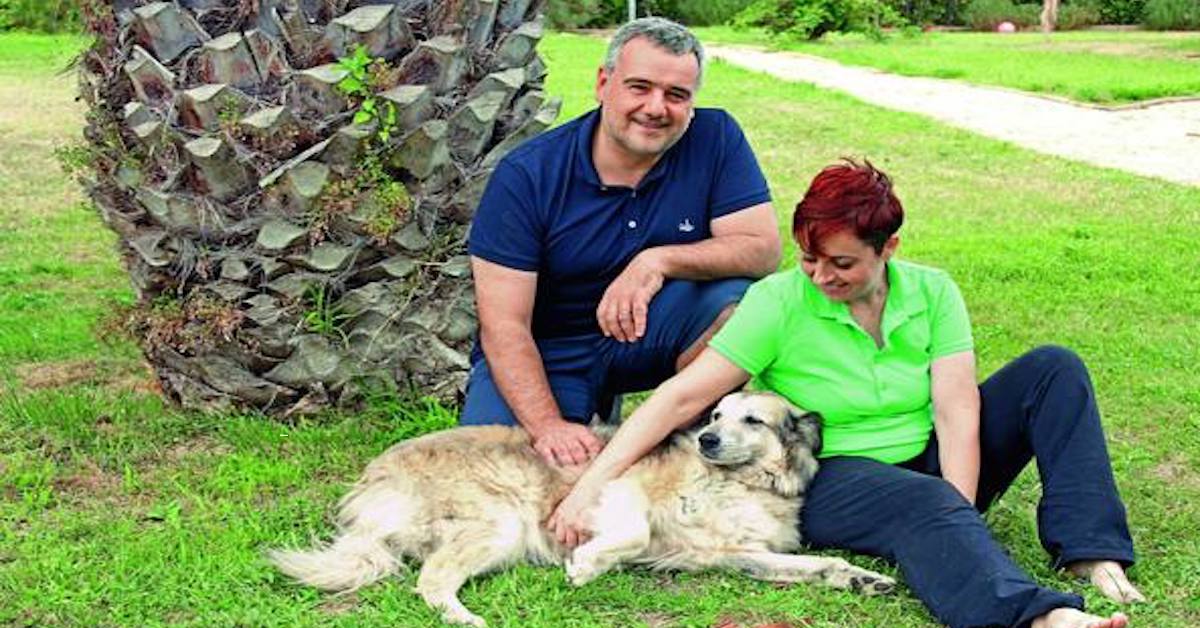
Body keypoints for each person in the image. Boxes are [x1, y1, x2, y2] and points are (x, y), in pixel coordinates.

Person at [549, 160, 1145, 628]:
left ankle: (1092, 549)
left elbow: (957, 409)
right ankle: (1038, 613)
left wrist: (959, 506)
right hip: (838, 476)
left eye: (840, 262)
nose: (820, 276)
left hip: (933, 461)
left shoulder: (932, 293)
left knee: (1054, 370)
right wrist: (592, 487)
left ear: (888, 249)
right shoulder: (780, 301)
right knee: (925, 504)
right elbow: (680, 398)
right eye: (809, 258)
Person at [462, 17, 781, 467]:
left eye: (676, 95)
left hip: (647, 335)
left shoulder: (715, 137)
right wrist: (548, 425)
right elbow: (504, 326)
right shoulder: (528, 175)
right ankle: (580, 406)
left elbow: (762, 248)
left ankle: (686, 443)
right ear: (603, 83)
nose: (656, 107)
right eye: (639, 87)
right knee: (496, 468)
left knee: (741, 303)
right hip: (550, 350)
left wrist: (657, 261)